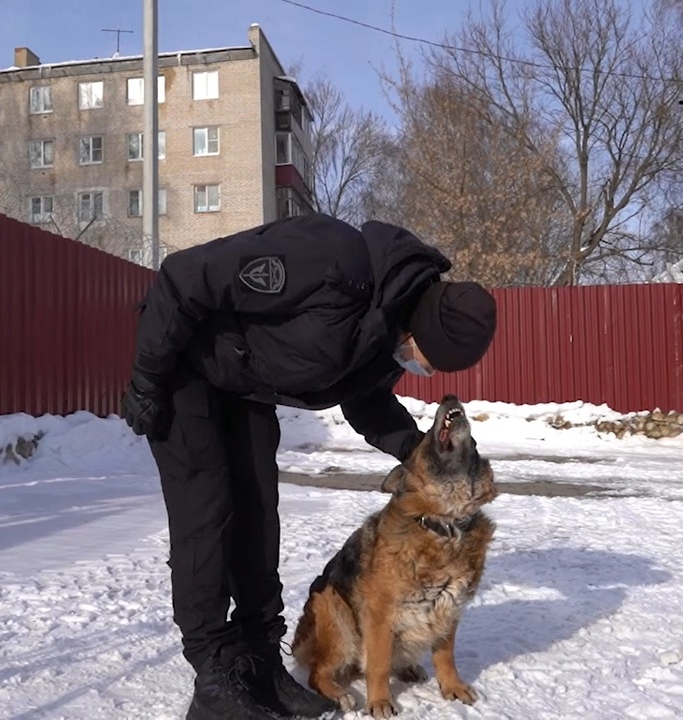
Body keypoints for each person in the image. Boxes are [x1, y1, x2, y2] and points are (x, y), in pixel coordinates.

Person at [120, 213, 498, 720]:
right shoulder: (330, 262)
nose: (425, 371)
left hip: (243, 385)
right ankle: (212, 671)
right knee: (206, 516)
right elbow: (185, 276)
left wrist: (418, 451)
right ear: (423, 327)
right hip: (184, 366)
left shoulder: (383, 334)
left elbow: (367, 403)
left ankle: (258, 658)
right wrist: (148, 376)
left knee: (259, 513)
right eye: (429, 359)